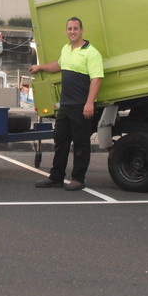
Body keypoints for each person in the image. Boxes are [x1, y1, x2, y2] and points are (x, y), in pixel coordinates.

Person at [30, 17, 104, 191]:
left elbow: (97, 79)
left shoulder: (91, 52)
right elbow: (59, 65)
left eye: (75, 28)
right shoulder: (66, 49)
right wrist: (40, 67)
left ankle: (78, 178)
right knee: (60, 142)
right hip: (65, 106)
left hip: (81, 106)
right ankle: (56, 177)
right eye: (69, 29)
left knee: (81, 143)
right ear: (66, 31)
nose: (72, 31)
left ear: (82, 30)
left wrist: (89, 103)